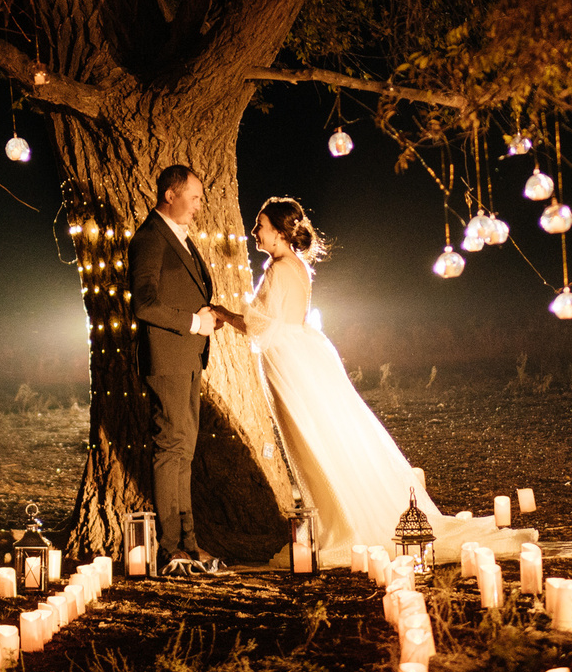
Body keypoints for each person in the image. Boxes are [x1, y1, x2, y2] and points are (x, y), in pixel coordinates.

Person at [239, 196, 532, 567]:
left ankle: (344, 522)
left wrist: (221, 313)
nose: (255, 232)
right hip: (306, 352)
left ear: (280, 233)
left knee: (313, 442)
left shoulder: (278, 269)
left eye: (261, 225)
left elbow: (260, 323)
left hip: (290, 361)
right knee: (330, 436)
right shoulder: (297, 266)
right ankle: (351, 507)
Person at [127, 164, 238, 574]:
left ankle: (190, 544)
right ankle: (170, 548)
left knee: (183, 453)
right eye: (194, 198)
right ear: (170, 195)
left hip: (188, 358)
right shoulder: (150, 239)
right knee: (171, 450)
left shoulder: (180, 239)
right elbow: (144, 304)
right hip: (168, 359)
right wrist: (194, 322)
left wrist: (208, 317)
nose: (198, 206)